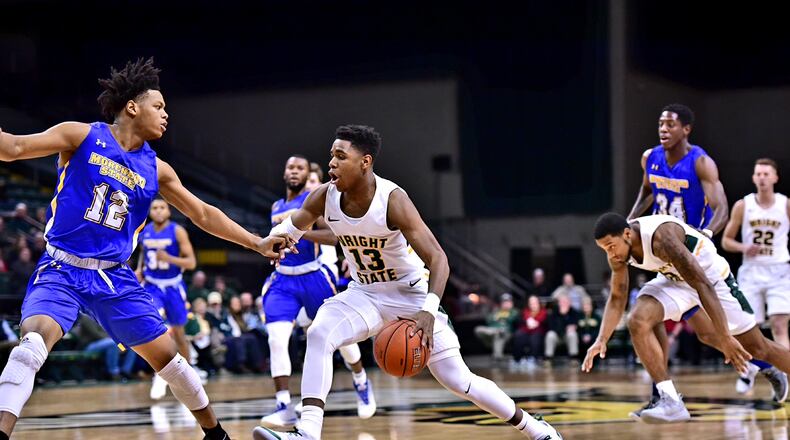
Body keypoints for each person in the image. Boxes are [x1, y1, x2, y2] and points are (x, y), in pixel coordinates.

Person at [0, 57, 285, 440]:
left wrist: (256, 241)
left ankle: (216, 435)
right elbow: (13, 147)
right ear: (132, 107)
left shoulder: (158, 169)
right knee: (29, 349)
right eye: (159, 106)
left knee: (170, 361)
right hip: (61, 268)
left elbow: (202, 213)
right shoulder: (81, 135)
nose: (166, 115)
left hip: (114, 277)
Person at [254, 125, 561, 440]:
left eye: (340, 156)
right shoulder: (323, 197)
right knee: (319, 333)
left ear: (365, 162)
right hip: (365, 294)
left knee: (460, 381)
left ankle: (537, 430)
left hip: (411, 297)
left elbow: (439, 259)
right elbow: (289, 231)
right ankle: (307, 432)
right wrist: (273, 242)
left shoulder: (392, 199)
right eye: (331, 155)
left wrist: (428, 311)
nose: (331, 162)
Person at [625, 103, 779, 414]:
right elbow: (646, 192)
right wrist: (627, 224)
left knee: (717, 334)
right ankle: (664, 395)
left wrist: (707, 231)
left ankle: (769, 367)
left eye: (670, 124)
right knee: (647, 319)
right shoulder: (649, 158)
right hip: (664, 254)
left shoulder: (701, 163)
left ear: (686, 129)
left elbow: (720, 205)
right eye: (660, 124)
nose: (663, 129)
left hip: (692, 253)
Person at [584, 213, 790, 424]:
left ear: (627, 234)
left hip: (711, 279)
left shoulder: (662, 239)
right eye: (604, 249)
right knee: (637, 319)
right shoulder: (618, 252)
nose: (610, 254)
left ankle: (774, 370)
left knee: (759, 348)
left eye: (611, 246)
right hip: (674, 281)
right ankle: (671, 401)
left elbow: (703, 285)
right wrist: (601, 339)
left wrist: (726, 337)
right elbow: (618, 297)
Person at [259, 156, 375, 431]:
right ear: (284, 172)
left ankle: (360, 378)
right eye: (291, 167)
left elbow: (334, 236)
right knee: (276, 340)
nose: (295, 172)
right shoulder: (277, 206)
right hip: (283, 280)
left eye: (300, 168)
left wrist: (300, 232)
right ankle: (283, 407)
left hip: (314, 276)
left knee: (341, 337)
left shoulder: (313, 202)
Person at [722, 158, 790, 392]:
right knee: (750, 327)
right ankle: (748, 371)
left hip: (779, 269)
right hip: (751, 270)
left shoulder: (785, 204)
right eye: (758, 174)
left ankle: (783, 376)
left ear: (775, 178)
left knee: (780, 325)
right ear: (753, 178)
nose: (761, 177)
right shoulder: (743, 205)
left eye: (766, 174)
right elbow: (726, 240)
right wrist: (744, 247)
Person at [136, 198, 198, 400]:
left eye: (162, 207)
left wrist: (170, 259)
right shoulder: (144, 232)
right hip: (153, 285)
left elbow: (190, 263)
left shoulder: (177, 231)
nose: (159, 211)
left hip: (173, 285)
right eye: (154, 208)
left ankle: (188, 375)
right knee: (153, 323)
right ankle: (160, 375)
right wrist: (139, 270)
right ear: (150, 212)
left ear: (169, 211)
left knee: (179, 333)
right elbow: (143, 255)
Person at [474, 293, 519, 361]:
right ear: (501, 303)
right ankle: (495, 333)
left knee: (499, 335)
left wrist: (501, 317)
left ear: (511, 303)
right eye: (504, 302)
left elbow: (512, 319)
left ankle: (497, 356)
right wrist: (499, 317)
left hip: (506, 332)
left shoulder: (514, 311)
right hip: (491, 331)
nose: (506, 303)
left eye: (508, 302)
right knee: (478, 329)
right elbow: (488, 320)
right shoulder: (496, 311)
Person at [511, 295, 547, 369]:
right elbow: (518, 321)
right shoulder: (525, 312)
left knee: (535, 337)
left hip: (539, 331)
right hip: (526, 330)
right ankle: (517, 359)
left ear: (538, 303)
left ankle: (533, 359)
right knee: (519, 334)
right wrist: (526, 321)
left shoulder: (544, 312)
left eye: (535, 303)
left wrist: (538, 323)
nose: (533, 305)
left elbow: (546, 323)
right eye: (531, 303)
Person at [544, 294, 580, 362]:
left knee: (572, 334)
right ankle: (548, 359)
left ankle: (574, 358)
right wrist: (562, 316)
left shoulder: (574, 312)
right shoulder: (554, 312)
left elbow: (576, 325)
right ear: (559, 303)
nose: (564, 304)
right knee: (550, 334)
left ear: (569, 303)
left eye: (566, 302)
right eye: (562, 302)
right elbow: (551, 327)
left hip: (567, 337)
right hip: (557, 336)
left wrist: (572, 327)